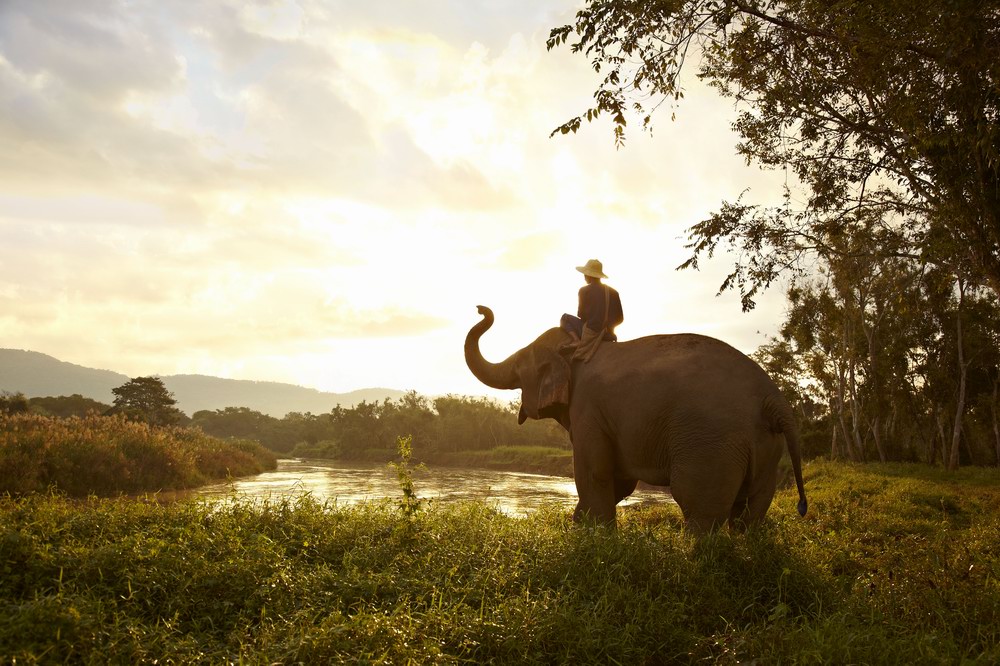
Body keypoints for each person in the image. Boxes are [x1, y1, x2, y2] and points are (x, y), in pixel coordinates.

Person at [560, 258, 624, 362]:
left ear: (589, 275)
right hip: (608, 333)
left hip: (591, 331)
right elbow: (620, 318)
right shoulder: (614, 292)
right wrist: (607, 327)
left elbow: (581, 315)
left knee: (565, 318)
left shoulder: (584, 291)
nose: (584, 276)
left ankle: (576, 340)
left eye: (585, 274)